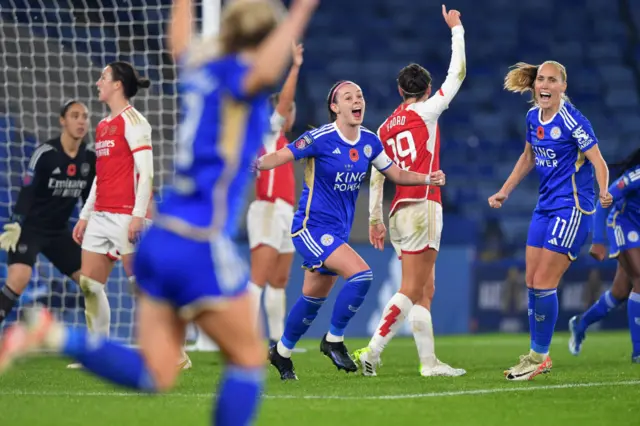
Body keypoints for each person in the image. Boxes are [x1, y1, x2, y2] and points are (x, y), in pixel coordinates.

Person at [0, 1, 317, 425]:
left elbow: (179, 44)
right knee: (247, 357)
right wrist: (302, 10)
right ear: (262, 42)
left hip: (161, 238)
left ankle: (52, 333)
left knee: (157, 370)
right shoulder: (242, 81)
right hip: (199, 241)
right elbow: (265, 68)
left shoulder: (201, 74)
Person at [257, 80, 447, 381]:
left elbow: (395, 172)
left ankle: (281, 352)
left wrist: (427, 178)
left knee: (311, 298)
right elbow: (283, 154)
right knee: (361, 275)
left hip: (337, 231)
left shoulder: (369, 142)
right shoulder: (321, 137)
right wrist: (257, 164)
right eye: (348, 97)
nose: (357, 100)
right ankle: (333, 340)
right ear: (335, 107)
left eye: (359, 95)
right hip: (311, 227)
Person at [353, 5, 466, 378]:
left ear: (399, 90)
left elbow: (378, 176)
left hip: (398, 212)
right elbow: (459, 73)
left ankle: (429, 363)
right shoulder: (429, 111)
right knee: (413, 286)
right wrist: (457, 30)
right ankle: (373, 350)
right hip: (424, 205)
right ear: (427, 90)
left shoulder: (384, 127)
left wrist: (375, 220)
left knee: (424, 290)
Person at [489, 60, 612, 381]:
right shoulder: (532, 117)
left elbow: (599, 161)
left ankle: (538, 357)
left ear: (562, 87)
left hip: (572, 209)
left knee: (544, 282)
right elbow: (528, 156)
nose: (545, 85)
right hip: (544, 207)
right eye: (540, 79)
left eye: (552, 80)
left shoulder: (573, 121)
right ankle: (536, 353)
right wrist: (504, 191)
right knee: (531, 281)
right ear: (535, 86)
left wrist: (603, 192)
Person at [0, 100, 95, 325]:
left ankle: (95, 344)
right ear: (63, 121)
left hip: (58, 232)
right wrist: (16, 222)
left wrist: (91, 226)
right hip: (30, 229)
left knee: (90, 285)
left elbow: (88, 198)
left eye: (84, 116)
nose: (81, 121)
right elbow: (27, 191)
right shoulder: (45, 153)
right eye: (75, 116)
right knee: (19, 278)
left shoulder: (89, 159)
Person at [247, 42, 303, 348]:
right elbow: (284, 103)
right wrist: (294, 66)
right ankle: (243, 338)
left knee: (279, 281)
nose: (290, 112)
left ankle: (276, 341)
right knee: (258, 277)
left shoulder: (281, 141)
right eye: (287, 109)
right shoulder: (268, 132)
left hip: (284, 212)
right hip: (267, 210)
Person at [568, 148, 640, 363]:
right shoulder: (636, 176)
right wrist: (598, 240)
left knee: (620, 292)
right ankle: (638, 352)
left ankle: (581, 322)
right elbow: (604, 202)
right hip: (623, 226)